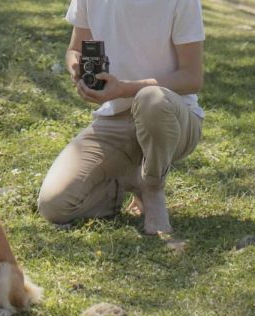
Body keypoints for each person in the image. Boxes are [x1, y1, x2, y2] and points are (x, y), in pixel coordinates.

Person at [38, 0, 206, 235]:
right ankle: (129, 180)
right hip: (116, 118)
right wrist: (76, 66)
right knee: (54, 205)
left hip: (171, 117)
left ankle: (153, 188)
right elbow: (75, 48)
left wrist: (125, 89)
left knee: (151, 98)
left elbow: (192, 77)